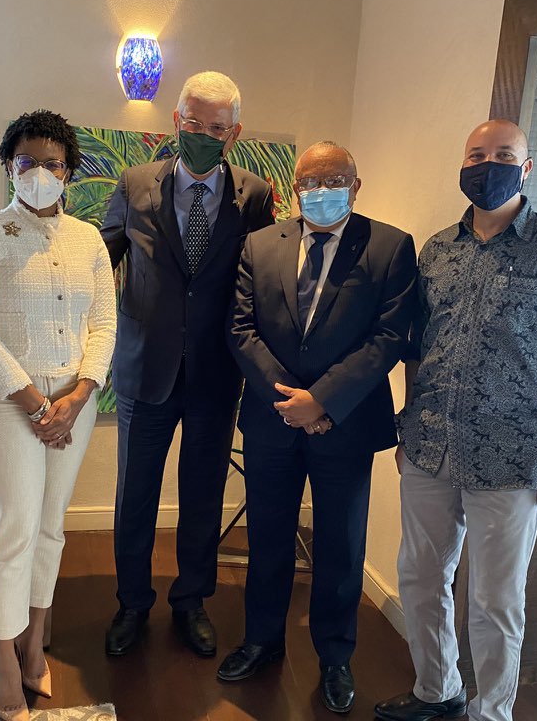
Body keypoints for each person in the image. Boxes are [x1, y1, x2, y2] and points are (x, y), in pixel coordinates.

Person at [375, 120, 537, 721]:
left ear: (526, 168)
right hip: (429, 447)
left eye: (503, 154)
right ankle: (437, 691)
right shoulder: (437, 250)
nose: (488, 165)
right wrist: (409, 426)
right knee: (420, 579)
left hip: (513, 459)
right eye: (477, 154)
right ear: (463, 165)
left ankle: (492, 713)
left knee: (495, 601)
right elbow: (418, 348)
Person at [217, 141, 418, 714]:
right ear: (294, 186)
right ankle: (262, 641)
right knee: (268, 537)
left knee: (341, 546)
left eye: (334, 180)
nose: (321, 190)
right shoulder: (260, 245)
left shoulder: (390, 246)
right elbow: (240, 328)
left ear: (356, 186)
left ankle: (335, 657)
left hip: (346, 424)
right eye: (310, 180)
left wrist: (323, 401)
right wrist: (291, 401)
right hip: (272, 418)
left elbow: (388, 337)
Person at [99, 71, 275, 658]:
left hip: (216, 374)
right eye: (194, 122)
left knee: (203, 493)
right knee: (136, 494)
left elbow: (261, 278)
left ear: (235, 133)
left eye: (216, 127)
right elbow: (100, 263)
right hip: (144, 369)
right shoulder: (134, 182)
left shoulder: (255, 195)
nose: (203, 134)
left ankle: (191, 600)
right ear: (176, 121)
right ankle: (131, 602)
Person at [0, 110, 116, 720]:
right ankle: (2, 654)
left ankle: (35, 639)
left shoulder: (89, 239)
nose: (41, 172)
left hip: (74, 402)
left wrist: (77, 396)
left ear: (68, 170)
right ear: (8, 166)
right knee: (17, 524)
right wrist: (38, 403)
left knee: (52, 524)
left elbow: (104, 325)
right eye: (28, 161)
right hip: (6, 402)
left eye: (53, 163)